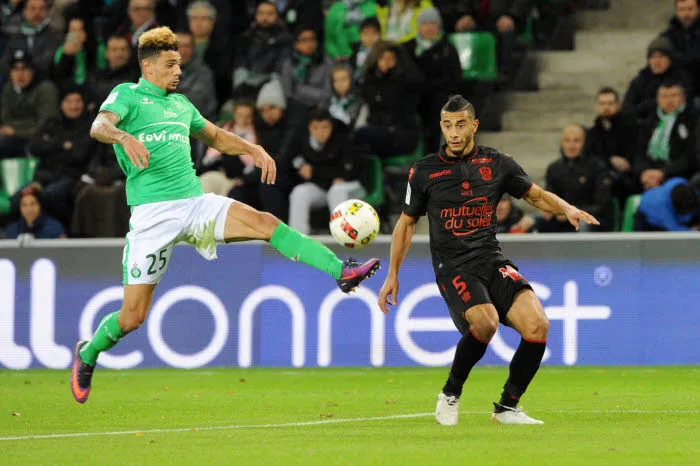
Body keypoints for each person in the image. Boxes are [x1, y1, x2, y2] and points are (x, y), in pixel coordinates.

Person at [71, 27, 380, 404]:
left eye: (179, 64)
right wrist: (123, 136)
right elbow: (99, 126)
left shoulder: (181, 105)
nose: (178, 71)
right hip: (152, 216)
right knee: (132, 317)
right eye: (170, 65)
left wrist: (253, 149)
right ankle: (88, 352)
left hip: (194, 203)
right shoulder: (127, 95)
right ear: (148, 67)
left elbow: (216, 137)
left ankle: (341, 271)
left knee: (266, 223)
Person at [377, 95, 599, 425]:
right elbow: (406, 224)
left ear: (474, 126)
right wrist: (392, 274)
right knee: (486, 322)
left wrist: (566, 207)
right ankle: (450, 393)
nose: (454, 133)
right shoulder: (424, 171)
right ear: (441, 127)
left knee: (538, 325)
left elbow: (536, 196)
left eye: (461, 125)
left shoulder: (498, 163)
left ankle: (507, 408)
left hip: (491, 259)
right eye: (447, 125)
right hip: (453, 265)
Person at [288, 108, 365, 234]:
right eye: (316, 128)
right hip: (324, 187)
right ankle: (298, 237)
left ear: (331, 126)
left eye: (325, 127)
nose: (321, 132)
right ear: (309, 128)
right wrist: (303, 170)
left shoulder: (343, 139)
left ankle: (344, 236)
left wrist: (315, 172)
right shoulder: (303, 141)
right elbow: (293, 164)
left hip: (352, 186)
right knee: (299, 192)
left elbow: (348, 172)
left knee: (336, 190)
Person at [634, 176, 699, 231]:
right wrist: (693, 231)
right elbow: (675, 229)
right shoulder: (664, 209)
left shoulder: (680, 181)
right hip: (646, 218)